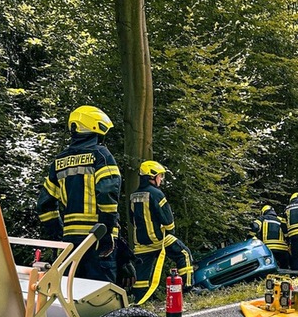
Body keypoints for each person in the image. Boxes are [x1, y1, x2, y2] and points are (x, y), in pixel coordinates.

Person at [36, 105, 124, 283]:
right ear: (96, 127)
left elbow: (44, 205)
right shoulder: (101, 155)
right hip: (97, 238)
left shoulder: (59, 161)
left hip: (69, 242)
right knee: (99, 294)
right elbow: (107, 193)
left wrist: (58, 235)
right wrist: (106, 232)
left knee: (72, 291)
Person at [129, 160, 196, 304]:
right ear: (151, 176)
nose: (161, 179)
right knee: (183, 253)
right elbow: (167, 219)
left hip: (141, 243)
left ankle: (140, 301)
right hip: (160, 239)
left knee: (141, 275)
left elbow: (131, 219)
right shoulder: (156, 193)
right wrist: (170, 232)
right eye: (160, 176)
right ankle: (189, 289)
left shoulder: (133, 196)